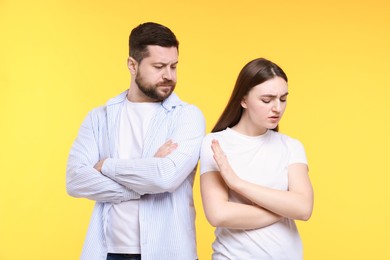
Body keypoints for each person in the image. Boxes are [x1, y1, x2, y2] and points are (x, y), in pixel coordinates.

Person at [66, 22, 205, 260]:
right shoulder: (99, 117)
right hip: (108, 252)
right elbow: (76, 180)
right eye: (159, 66)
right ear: (132, 65)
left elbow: (165, 177)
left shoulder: (187, 116)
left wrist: (106, 166)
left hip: (168, 252)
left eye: (174, 66)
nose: (169, 76)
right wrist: (147, 173)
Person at [200, 58, 314, 259]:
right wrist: (283, 209)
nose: (277, 108)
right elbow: (218, 214)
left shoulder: (291, 146)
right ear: (243, 100)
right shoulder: (216, 144)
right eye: (267, 100)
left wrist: (238, 184)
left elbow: (304, 208)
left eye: (283, 99)